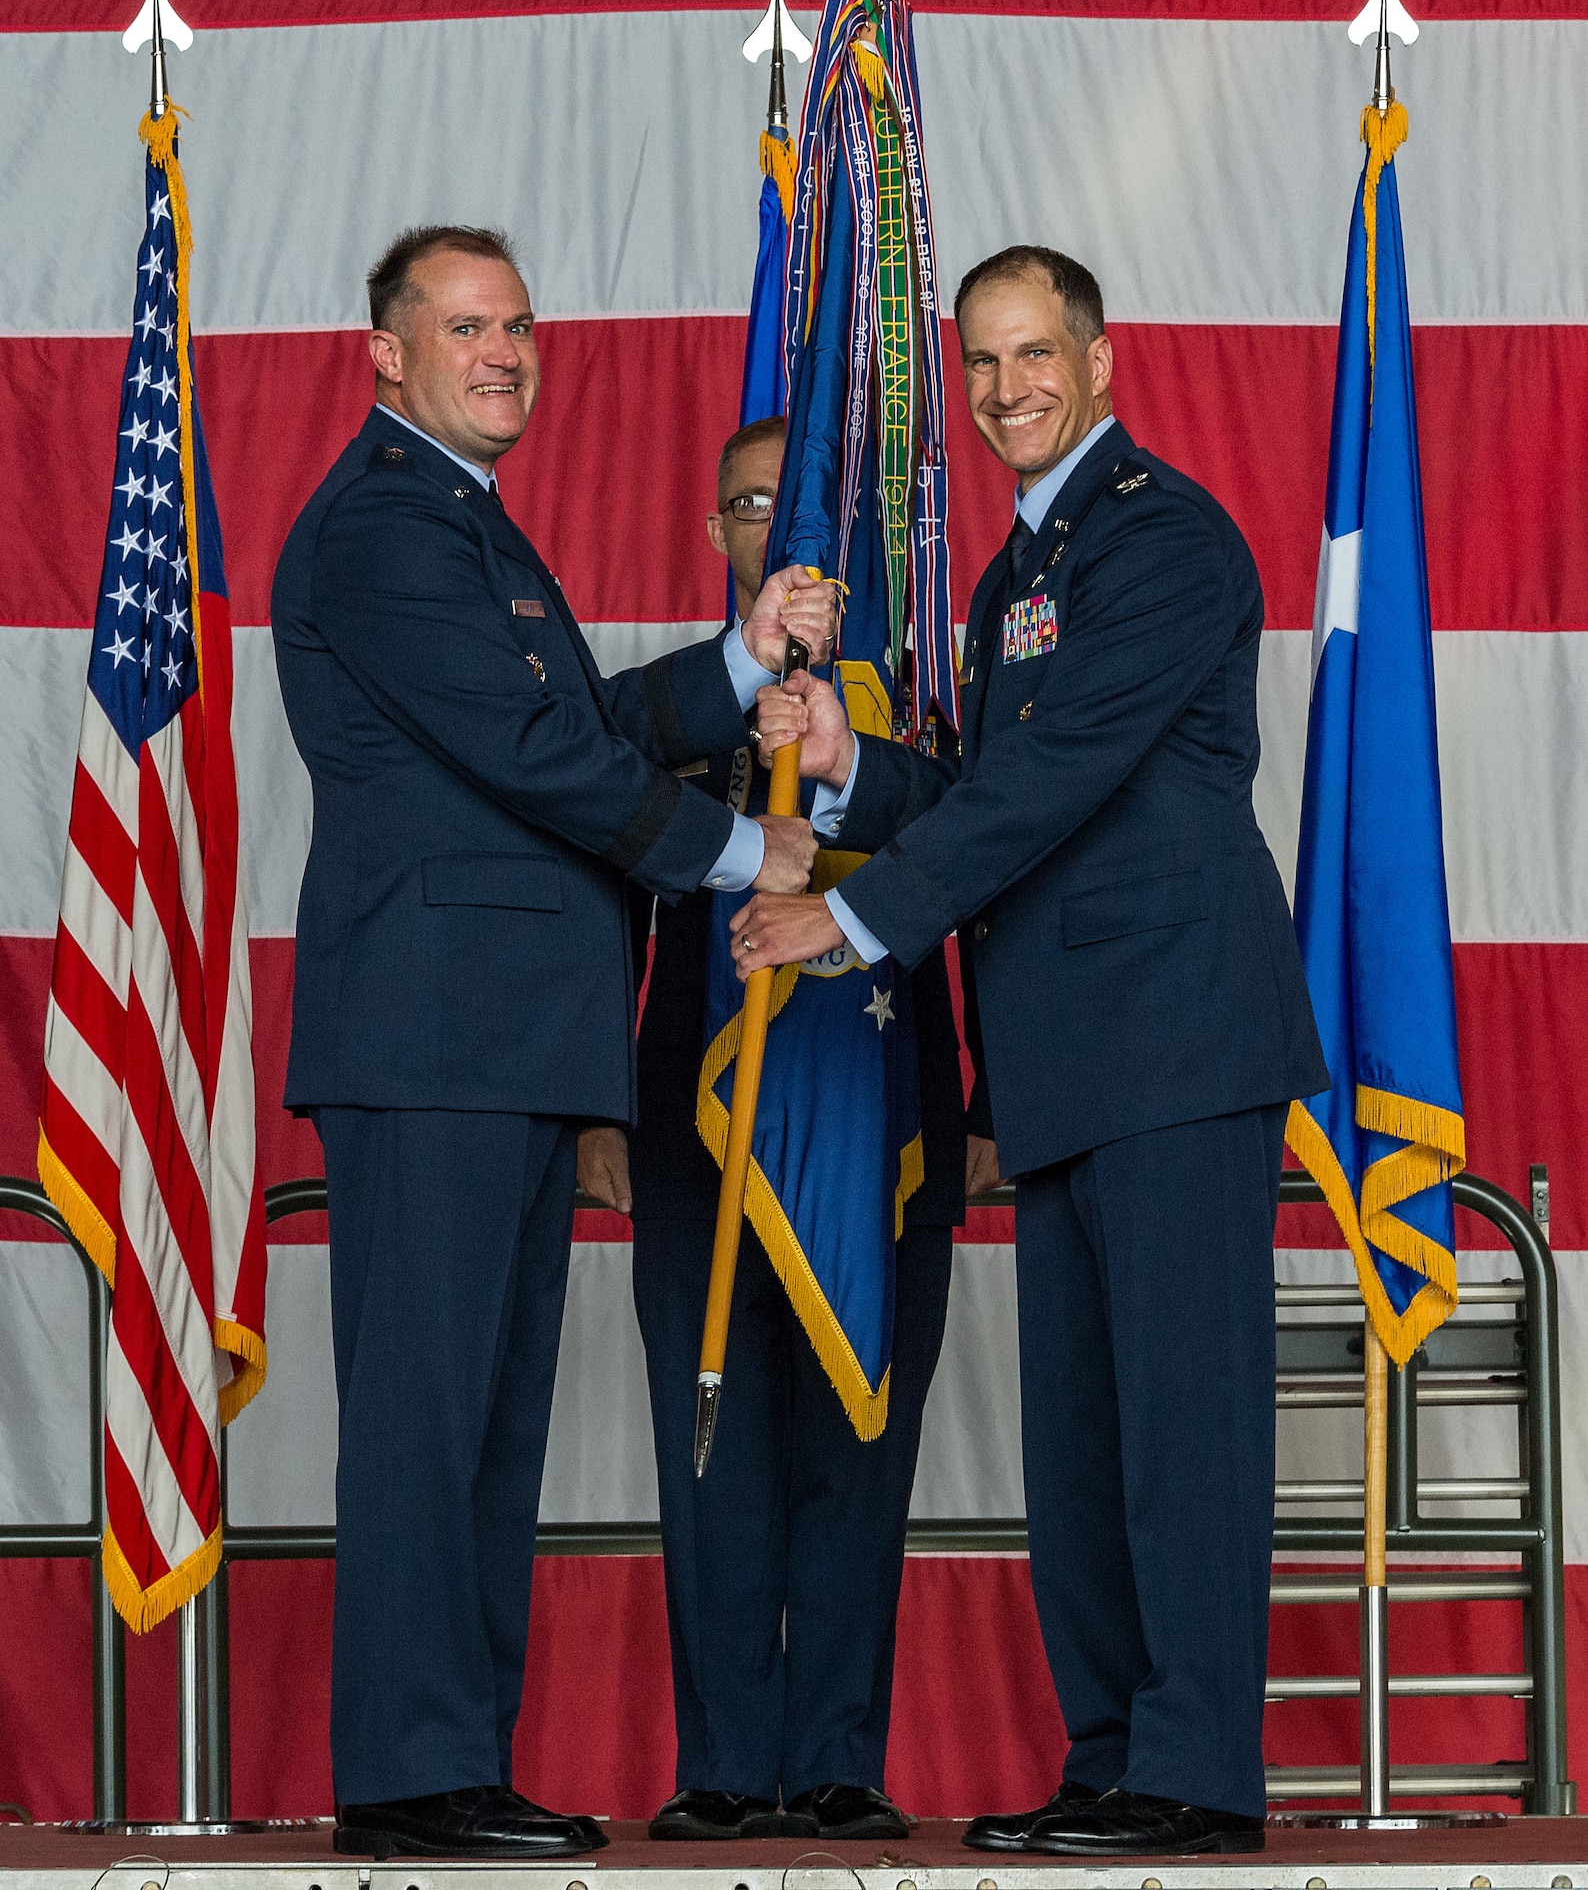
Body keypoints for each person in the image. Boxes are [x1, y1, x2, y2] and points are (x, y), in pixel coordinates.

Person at [734, 246, 1330, 1857]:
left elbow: (1052, 787)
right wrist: (858, 763)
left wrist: (852, 928)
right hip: (1072, 1059)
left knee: (1181, 1431)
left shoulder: (1165, 542)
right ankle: (1116, 1755)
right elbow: (989, 801)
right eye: (981, 366)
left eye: (1033, 356)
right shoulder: (1014, 579)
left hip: (1177, 1040)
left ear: (1101, 356)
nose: (1007, 392)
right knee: (1082, 1446)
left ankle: (1197, 1776)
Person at [270, 225, 837, 1861]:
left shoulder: (470, 527)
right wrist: (747, 855)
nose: (503, 350)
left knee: (490, 1427)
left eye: (517, 323)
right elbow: (535, 752)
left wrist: (739, 662)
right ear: (388, 353)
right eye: (464, 327)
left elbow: (574, 721)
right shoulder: (385, 524)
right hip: (435, 1037)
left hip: (502, 1040)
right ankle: (406, 1774)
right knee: (428, 1425)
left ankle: (455, 1764)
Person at [577, 414, 986, 1841]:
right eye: (750, 506)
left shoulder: (912, 705)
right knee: (713, 1451)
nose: (779, 531)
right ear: (717, 534)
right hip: (690, 1121)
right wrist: (595, 1108)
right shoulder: (682, 712)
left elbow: (988, 884)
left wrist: (981, 1097)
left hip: (889, 1119)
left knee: (859, 1445)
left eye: (797, 509)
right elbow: (599, 903)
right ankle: (723, 1766)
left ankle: (837, 1761)